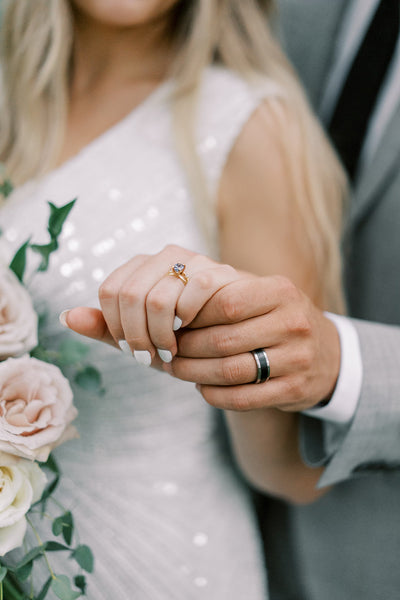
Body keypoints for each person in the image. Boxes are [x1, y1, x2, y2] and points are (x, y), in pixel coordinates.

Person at [0, 0, 346, 598]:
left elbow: (295, 472)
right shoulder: (11, 98)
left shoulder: (250, 125)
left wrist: (229, 335)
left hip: (160, 564)